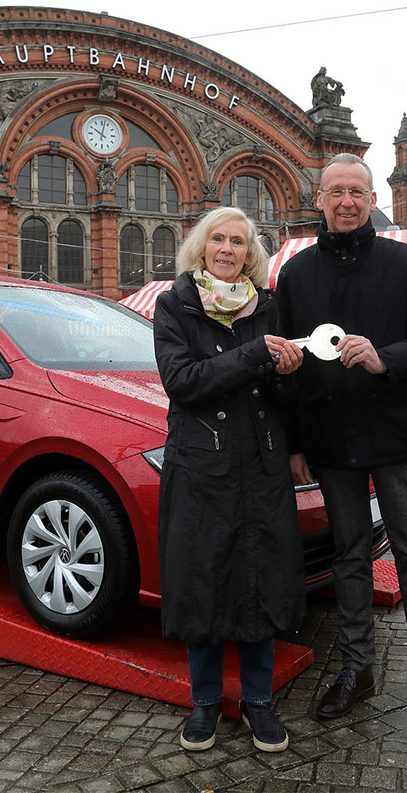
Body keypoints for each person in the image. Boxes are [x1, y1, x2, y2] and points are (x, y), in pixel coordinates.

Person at [274, 152, 407, 733]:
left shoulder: (406, 261)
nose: (346, 202)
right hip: (328, 436)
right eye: (335, 191)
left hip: (395, 434)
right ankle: (357, 670)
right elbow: (286, 358)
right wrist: (292, 441)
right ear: (320, 200)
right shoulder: (296, 273)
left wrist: (386, 359)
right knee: (350, 556)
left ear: (372, 199)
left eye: (356, 191)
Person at [152, 206, 306, 753]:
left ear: (249, 253)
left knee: (260, 578)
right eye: (217, 239)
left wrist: (288, 375)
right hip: (201, 467)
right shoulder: (174, 304)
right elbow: (182, 383)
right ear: (200, 247)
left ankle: (259, 702)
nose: (227, 248)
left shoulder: (268, 306)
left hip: (260, 465)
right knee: (204, 581)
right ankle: (206, 702)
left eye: (238, 242)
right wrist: (252, 356)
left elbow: (284, 396)